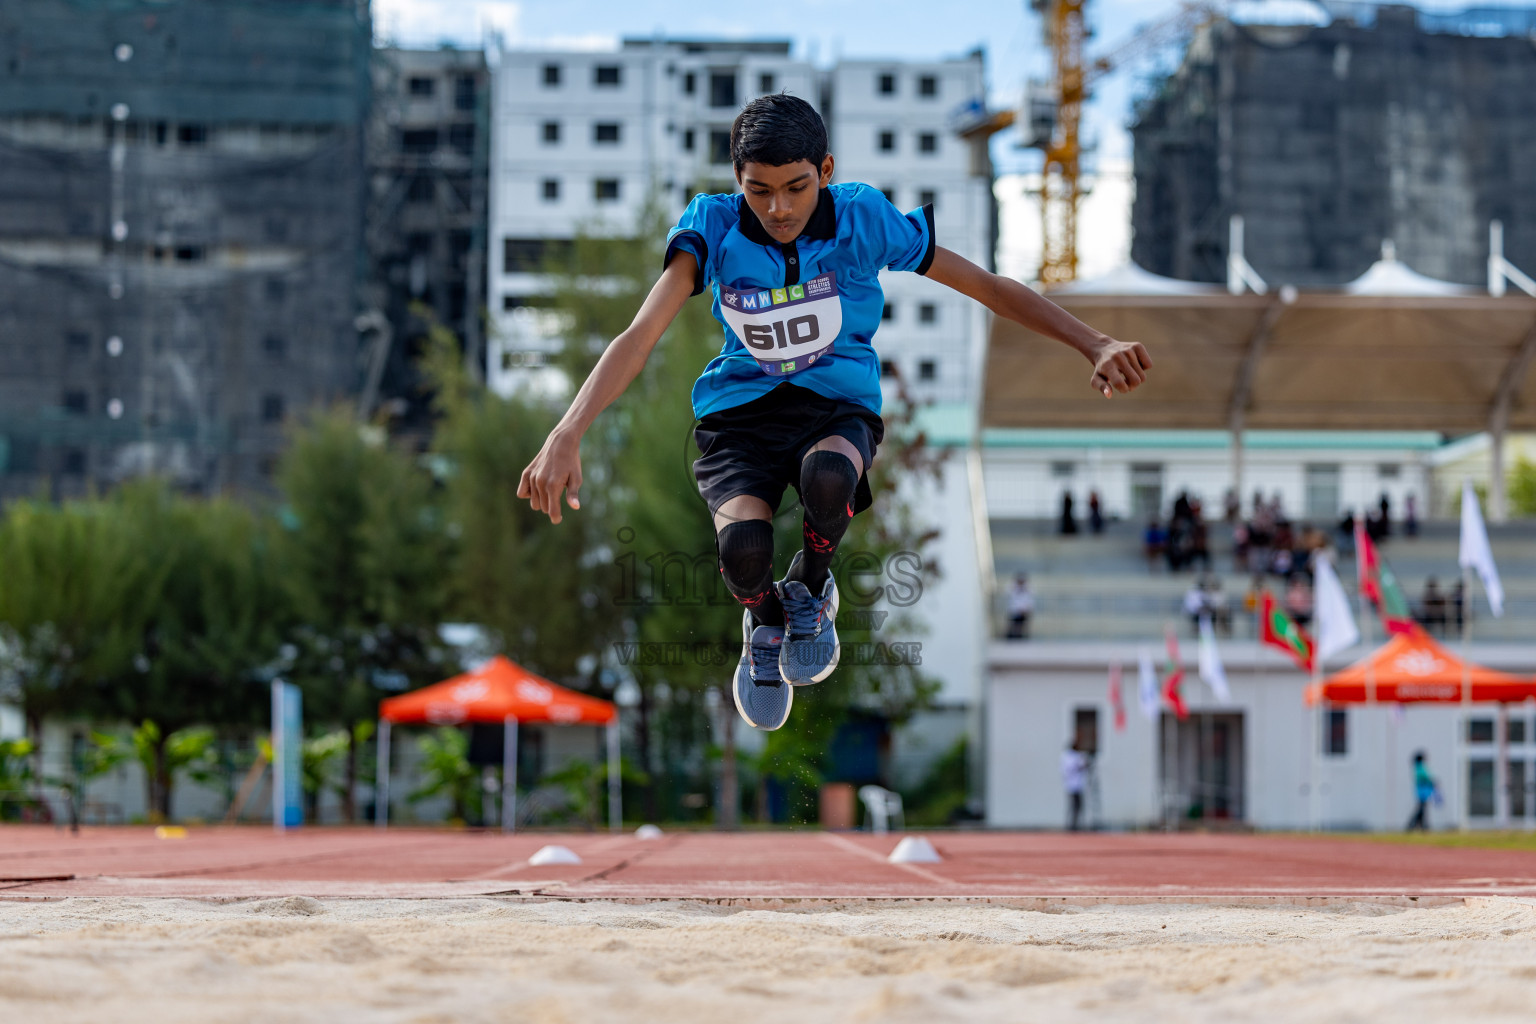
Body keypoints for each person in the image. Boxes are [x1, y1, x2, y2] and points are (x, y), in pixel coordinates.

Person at [516, 95, 1152, 731]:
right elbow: (640, 333)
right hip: (738, 417)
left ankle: (812, 584)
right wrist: (568, 429)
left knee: (829, 478)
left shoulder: (861, 218)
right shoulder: (711, 226)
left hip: (836, 406)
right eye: (759, 192)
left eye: (796, 187)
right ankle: (766, 622)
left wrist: (1093, 342)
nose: (780, 210)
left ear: (825, 169)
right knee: (743, 550)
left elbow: (986, 287)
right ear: (738, 182)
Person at [1061, 741, 1089, 831]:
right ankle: (1072, 825)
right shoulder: (1071, 757)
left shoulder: (1067, 756)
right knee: (1074, 806)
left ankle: (1075, 824)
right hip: (1073, 785)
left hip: (1076, 785)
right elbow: (1078, 767)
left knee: (1077, 806)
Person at [1407, 751, 1437, 831]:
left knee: (1421, 810)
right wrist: (1433, 782)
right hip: (1422, 793)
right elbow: (1426, 778)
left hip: (1422, 792)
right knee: (1421, 810)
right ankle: (1414, 825)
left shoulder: (1418, 768)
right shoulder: (1420, 768)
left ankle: (1421, 826)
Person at [1006, 573, 1035, 640]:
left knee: (1021, 625)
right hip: (1014, 610)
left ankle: (1020, 636)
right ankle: (1012, 636)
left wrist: (1027, 609)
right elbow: (1009, 595)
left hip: (1023, 611)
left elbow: (1029, 600)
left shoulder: (1028, 589)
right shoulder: (1012, 587)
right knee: (1014, 624)